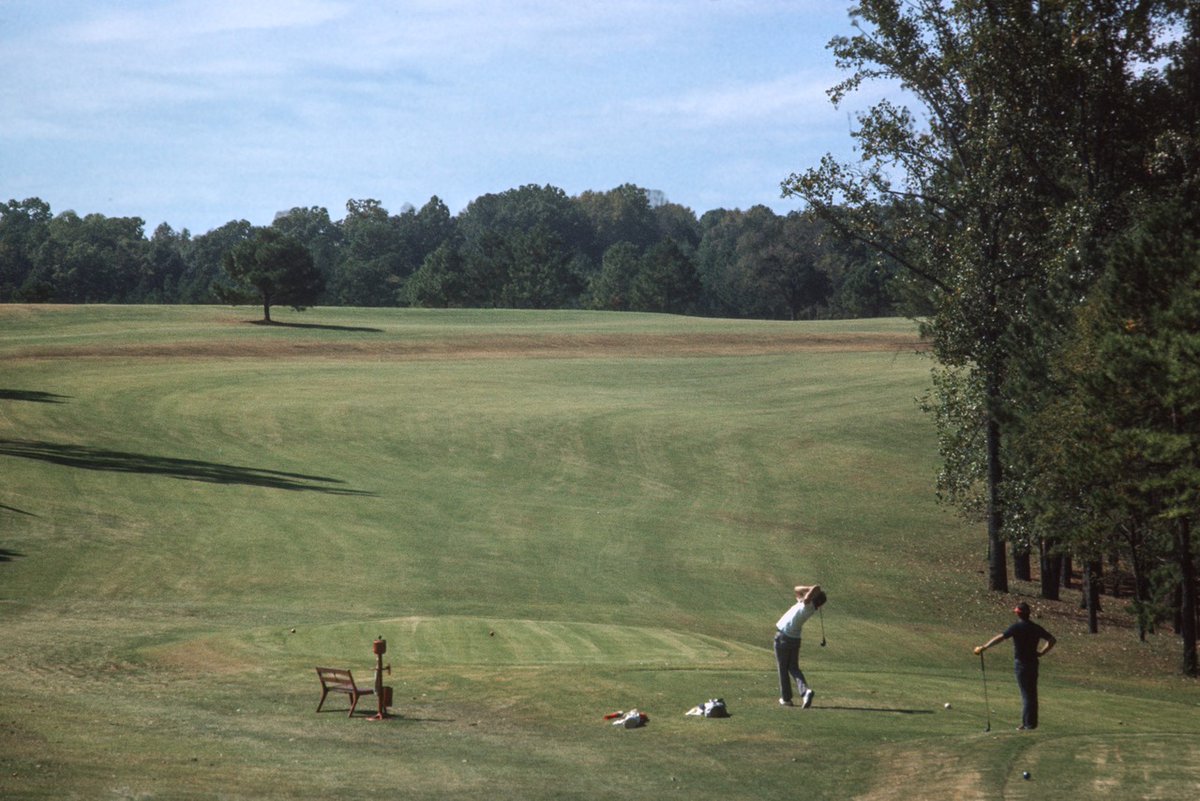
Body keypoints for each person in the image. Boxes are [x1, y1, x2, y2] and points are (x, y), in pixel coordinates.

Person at [974, 601, 1057, 730]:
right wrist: (1042, 652)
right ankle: (1030, 723)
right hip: (1033, 663)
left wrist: (984, 647)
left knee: (1026, 694)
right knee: (1031, 693)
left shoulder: (1017, 627)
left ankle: (1028, 724)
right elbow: (1052, 640)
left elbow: (1000, 638)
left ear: (1018, 614)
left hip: (1021, 664)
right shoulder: (1035, 627)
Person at [775, 584, 827, 707]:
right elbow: (796, 589)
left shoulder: (807, 604)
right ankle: (805, 692)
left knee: (782, 667)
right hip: (795, 639)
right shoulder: (808, 605)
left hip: (783, 637)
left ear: (813, 598)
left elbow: (817, 587)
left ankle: (786, 699)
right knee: (793, 668)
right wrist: (811, 591)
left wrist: (812, 590)